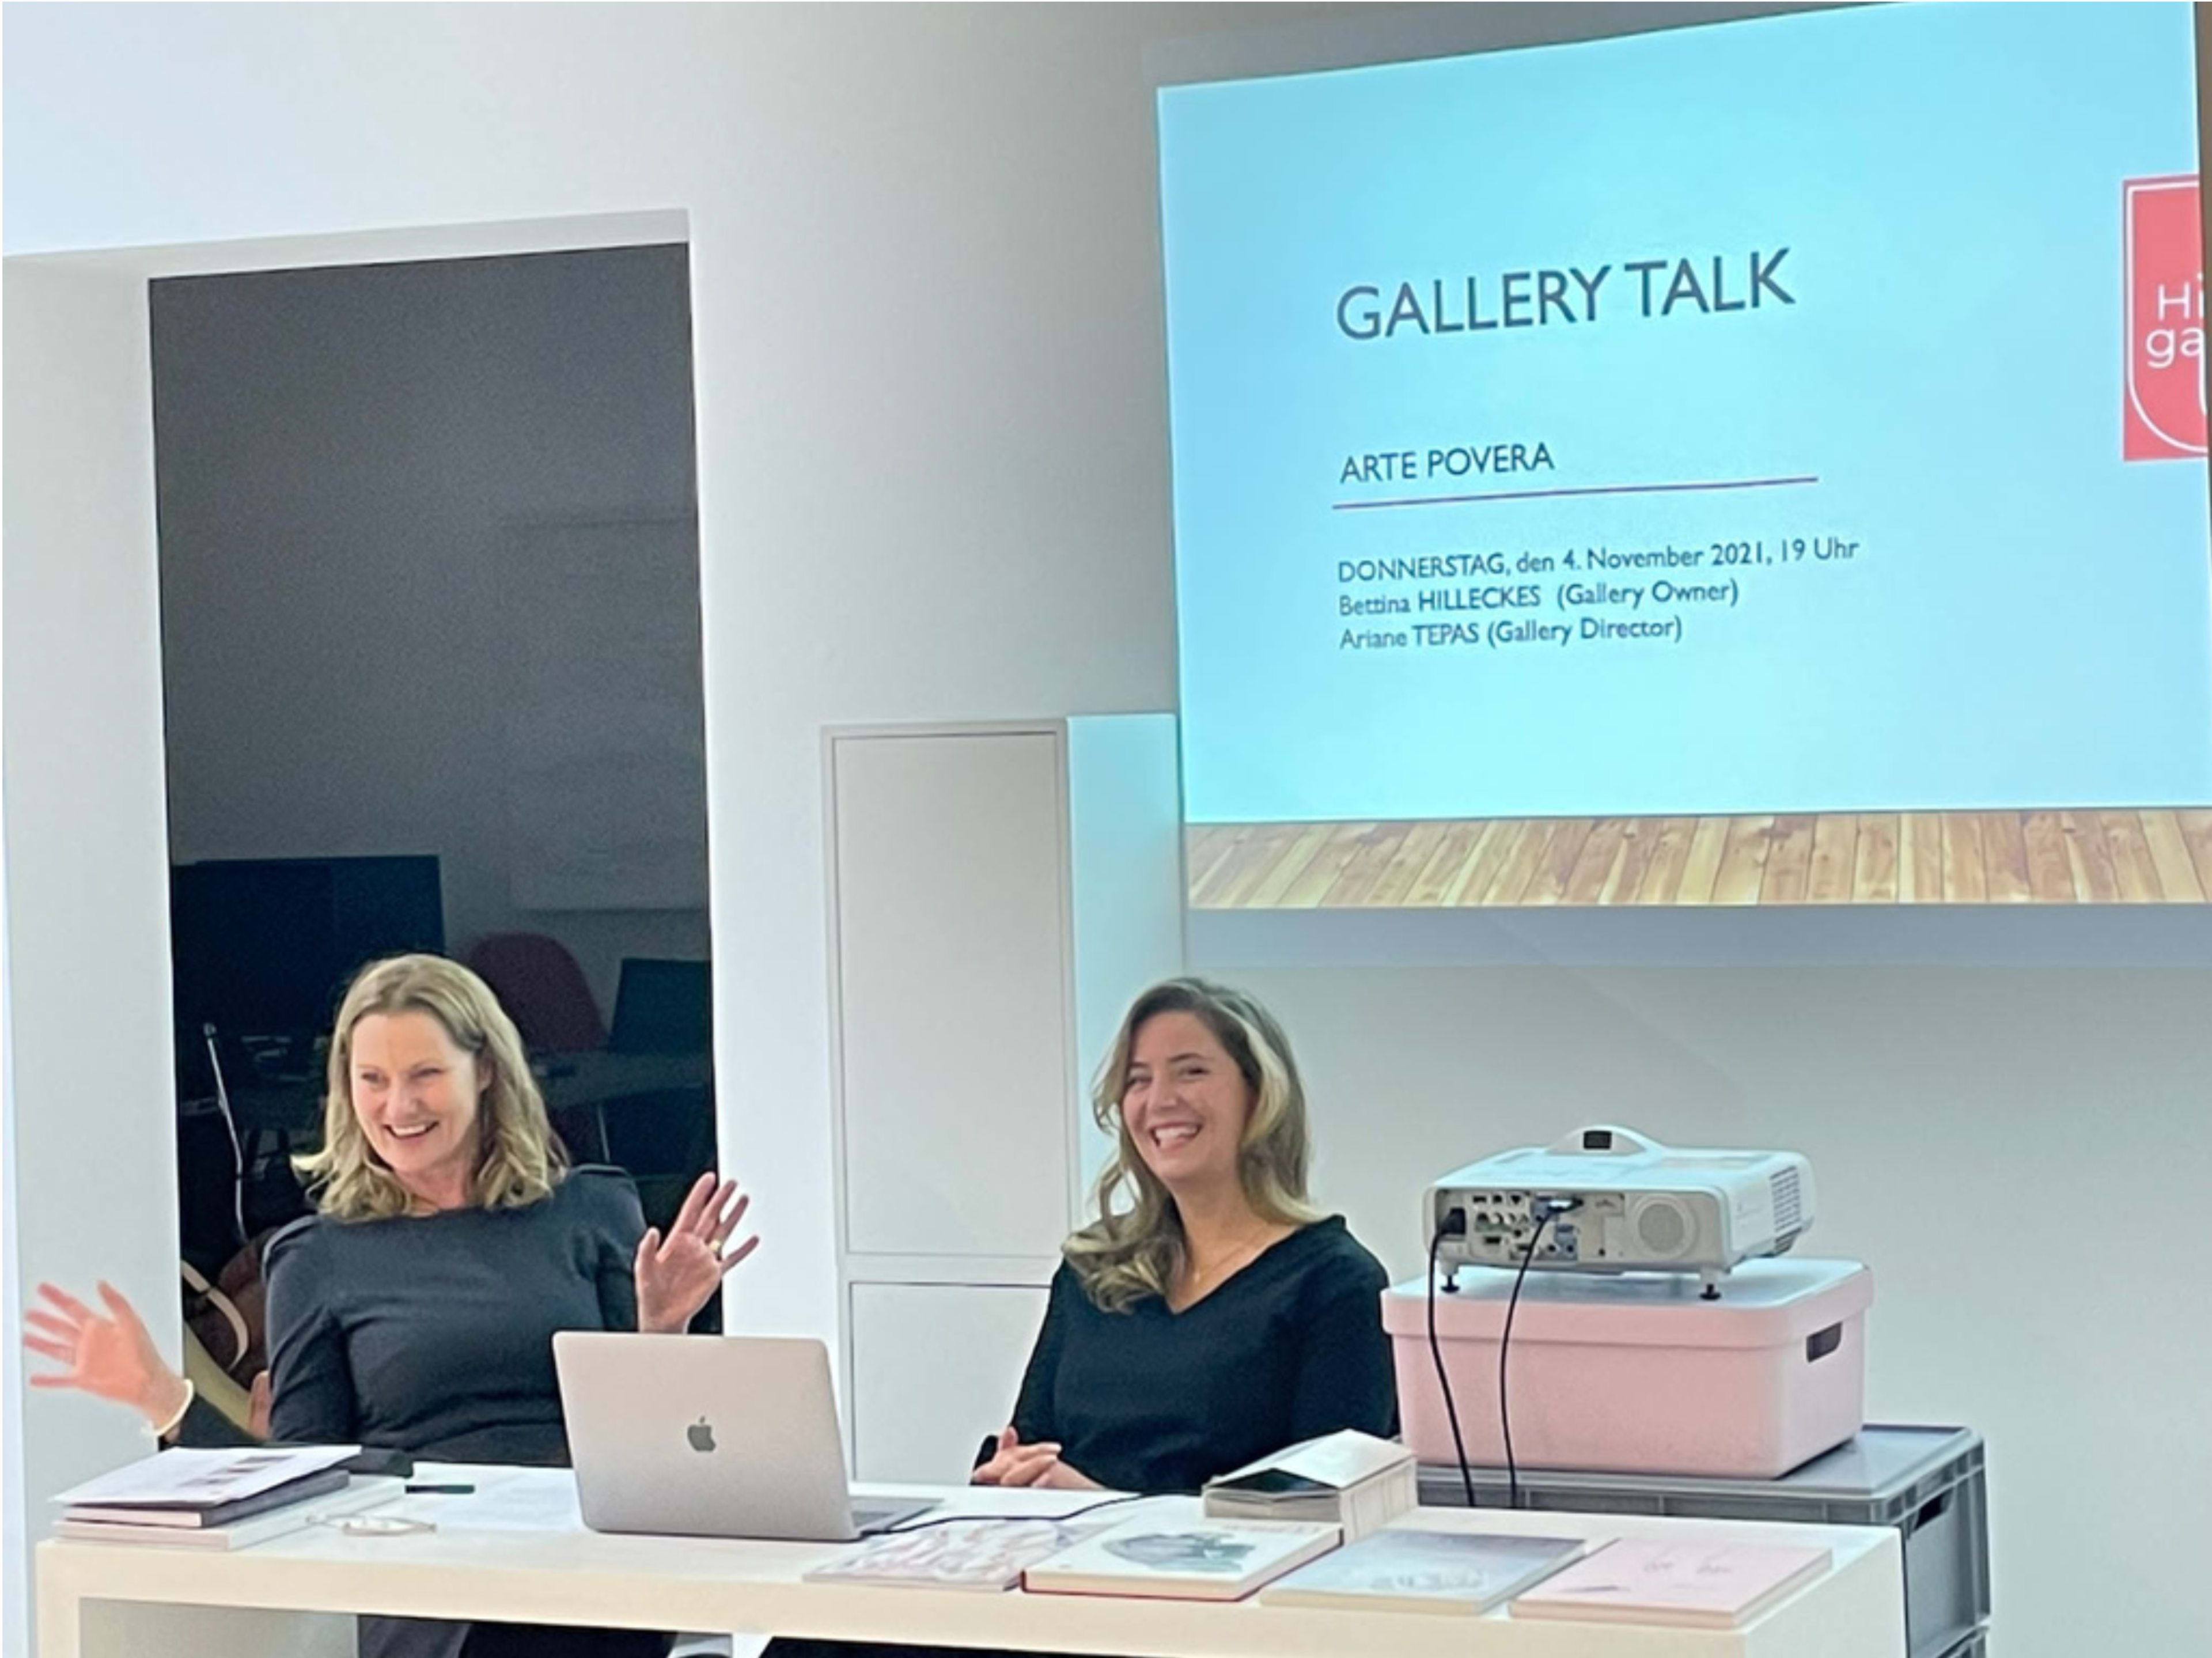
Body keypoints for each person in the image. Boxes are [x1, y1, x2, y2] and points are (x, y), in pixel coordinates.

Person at [24, 952, 755, 1658]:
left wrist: (664, 1326)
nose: (398, 1106)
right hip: (434, 1587)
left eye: (426, 1075)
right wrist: (163, 1397)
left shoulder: (593, 1206)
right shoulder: (315, 1256)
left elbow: (648, 1449)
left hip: (591, 1562)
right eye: (372, 1079)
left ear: (487, 1071)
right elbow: (296, 1492)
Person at [971, 976, 1397, 1496]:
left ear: (1260, 1095)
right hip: (1052, 1571)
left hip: (1233, 1577)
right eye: (1137, 1080)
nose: (1160, 1100)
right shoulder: (1092, 1269)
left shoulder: (1336, 1282)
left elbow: (1320, 1508)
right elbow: (1030, 1446)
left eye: (1191, 1072)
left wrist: (1100, 1506)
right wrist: (1012, 1474)